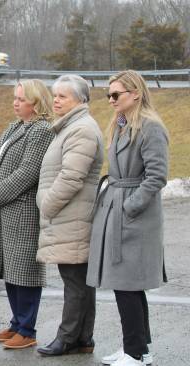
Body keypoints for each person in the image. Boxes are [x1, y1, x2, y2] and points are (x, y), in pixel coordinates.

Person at [89, 70, 168, 366]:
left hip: (136, 216)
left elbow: (157, 176)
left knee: (127, 284)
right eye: (108, 94)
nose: (111, 100)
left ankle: (135, 353)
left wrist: (129, 207)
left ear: (135, 93)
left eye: (116, 94)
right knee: (127, 284)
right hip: (119, 207)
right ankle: (138, 349)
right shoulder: (122, 125)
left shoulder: (150, 127)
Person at [0, 80, 55, 349]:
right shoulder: (15, 127)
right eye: (15, 98)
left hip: (23, 209)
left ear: (36, 102)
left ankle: (27, 329)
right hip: (3, 209)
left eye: (21, 99)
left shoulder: (41, 131)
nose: (15, 103)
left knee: (25, 270)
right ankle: (16, 324)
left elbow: (28, 172)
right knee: (10, 268)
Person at [36, 74, 104, 356]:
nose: (56, 100)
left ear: (81, 100)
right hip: (68, 215)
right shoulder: (69, 127)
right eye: (55, 95)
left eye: (63, 96)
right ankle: (82, 338)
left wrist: (47, 205)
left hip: (71, 215)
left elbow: (71, 177)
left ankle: (67, 338)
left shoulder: (82, 129)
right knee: (79, 281)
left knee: (75, 282)